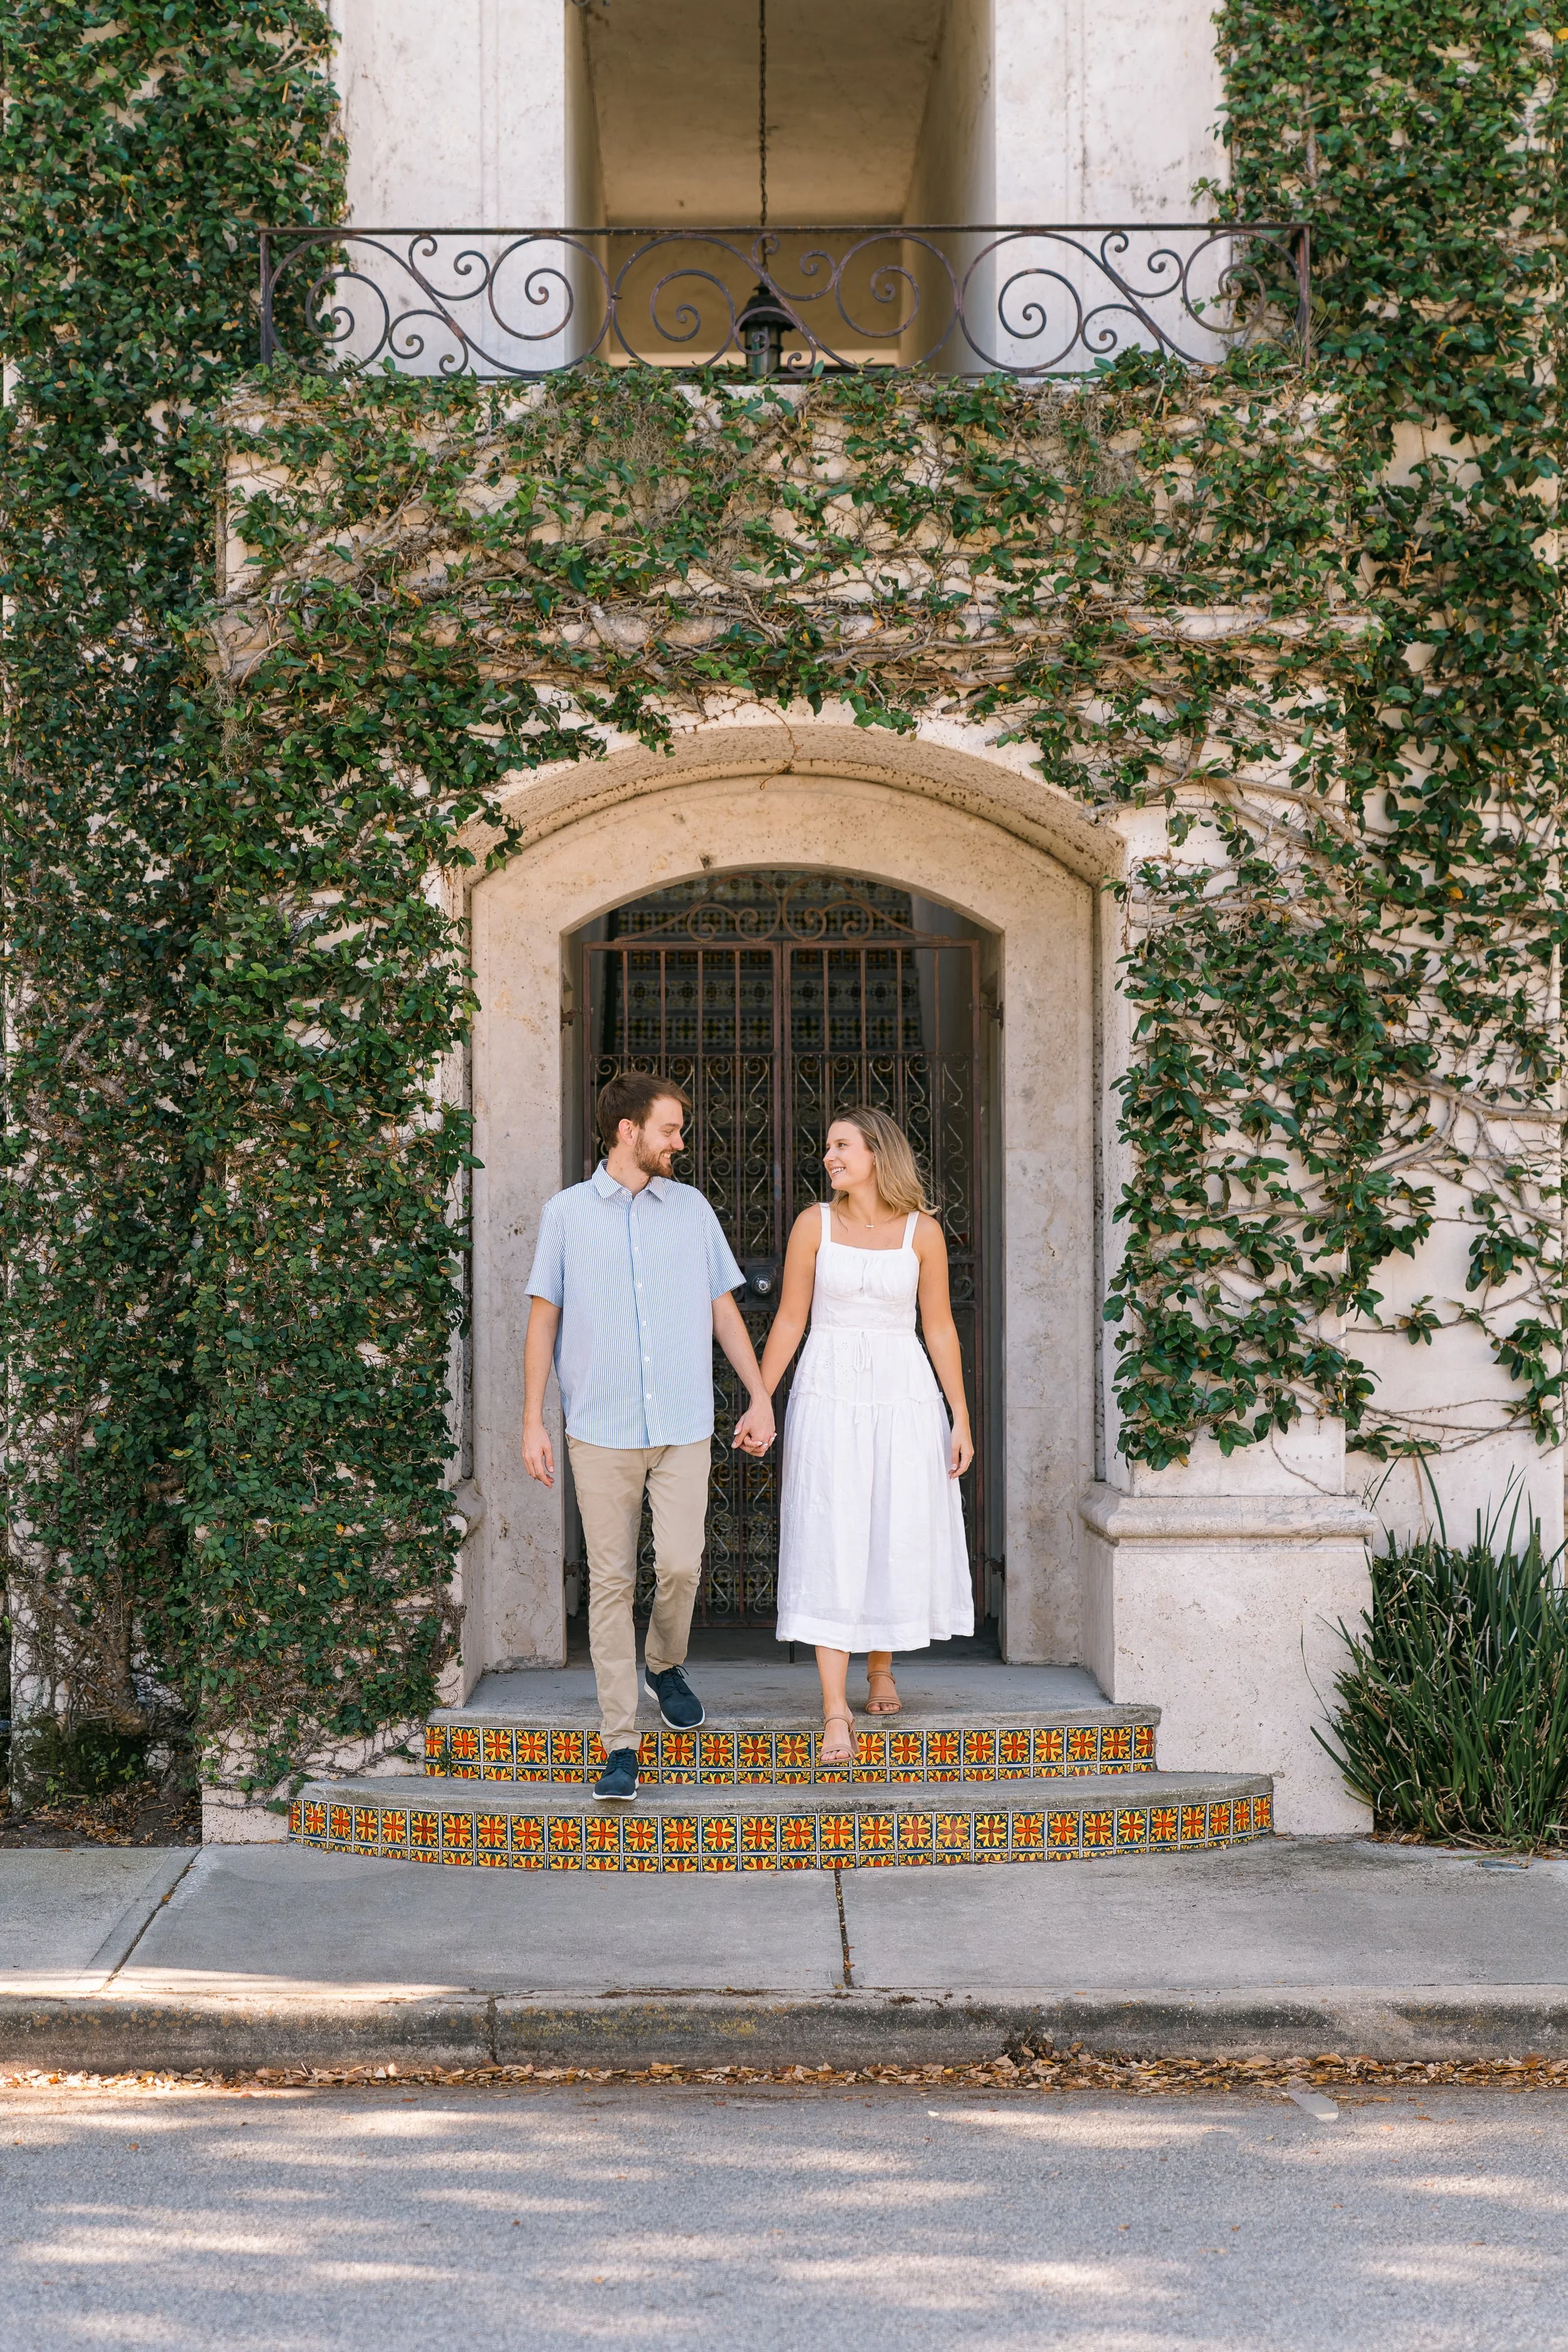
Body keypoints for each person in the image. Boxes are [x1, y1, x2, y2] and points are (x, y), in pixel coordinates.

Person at [521, 1074, 775, 1801]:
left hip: (683, 1424)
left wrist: (758, 1396)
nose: (680, 1142)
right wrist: (532, 1419)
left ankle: (664, 1665)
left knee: (682, 1565)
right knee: (609, 1584)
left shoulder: (690, 1209)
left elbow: (724, 1310)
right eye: (669, 1129)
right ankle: (620, 1742)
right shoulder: (566, 1214)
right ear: (627, 1130)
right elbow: (544, 1319)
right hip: (598, 1429)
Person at [760, 1106, 974, 1766]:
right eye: (827, 1147)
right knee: (830, 1531)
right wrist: (759, 1401)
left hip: (903, 1395)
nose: (829, 1156)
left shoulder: (923, 1232)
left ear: (877, 1152)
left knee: (890, 1525)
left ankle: (880, 1666)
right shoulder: (812, 1224)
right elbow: (791, 1318)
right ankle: (834, 1709)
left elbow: (937, 1327)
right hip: (828, 1393)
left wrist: (960, 1415)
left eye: (841, 1145)